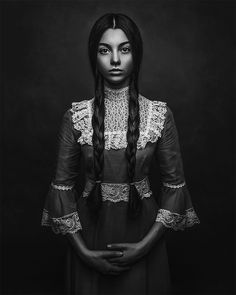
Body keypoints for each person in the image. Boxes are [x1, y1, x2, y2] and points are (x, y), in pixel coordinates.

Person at [41, 13, 200, 295]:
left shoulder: (159, 115)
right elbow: (62, 189)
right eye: (105, 50)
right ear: (94, 56)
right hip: (88, 233)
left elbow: (175, 188)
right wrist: (84, 253)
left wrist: (144, 248)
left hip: (144, 231)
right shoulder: (76, 116)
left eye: (124, 49)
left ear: (136, 54)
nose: (115, 59)